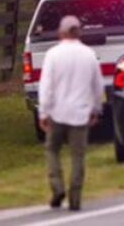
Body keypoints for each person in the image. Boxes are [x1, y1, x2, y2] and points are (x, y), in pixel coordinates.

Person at [38, 16, 103, 212]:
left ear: (61, 32)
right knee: (78, 155)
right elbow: (97, 85)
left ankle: (57, 186)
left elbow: (46, 85)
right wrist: (95, 108)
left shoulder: (53, 54)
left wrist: (43, 111)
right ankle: (75, 197)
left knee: (52, 149)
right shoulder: (88, 54)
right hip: (80, 113)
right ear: (79, 32)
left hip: (58, 111)